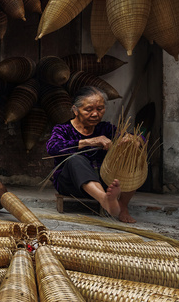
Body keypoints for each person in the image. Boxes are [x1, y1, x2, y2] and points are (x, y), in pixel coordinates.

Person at [46, 86, 136, 223]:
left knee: (133, 156)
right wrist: (89, 142)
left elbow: (140, 139)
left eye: (100, 109)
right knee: (75, 159)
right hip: (71, 184)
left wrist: (133, 140)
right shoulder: (63, 129)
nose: (95, 114)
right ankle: (104, 200)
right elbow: (52, 148)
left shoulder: (105, 129)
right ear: (75, 110)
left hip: (104, 180)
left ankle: (122, 206)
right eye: (88, 110)